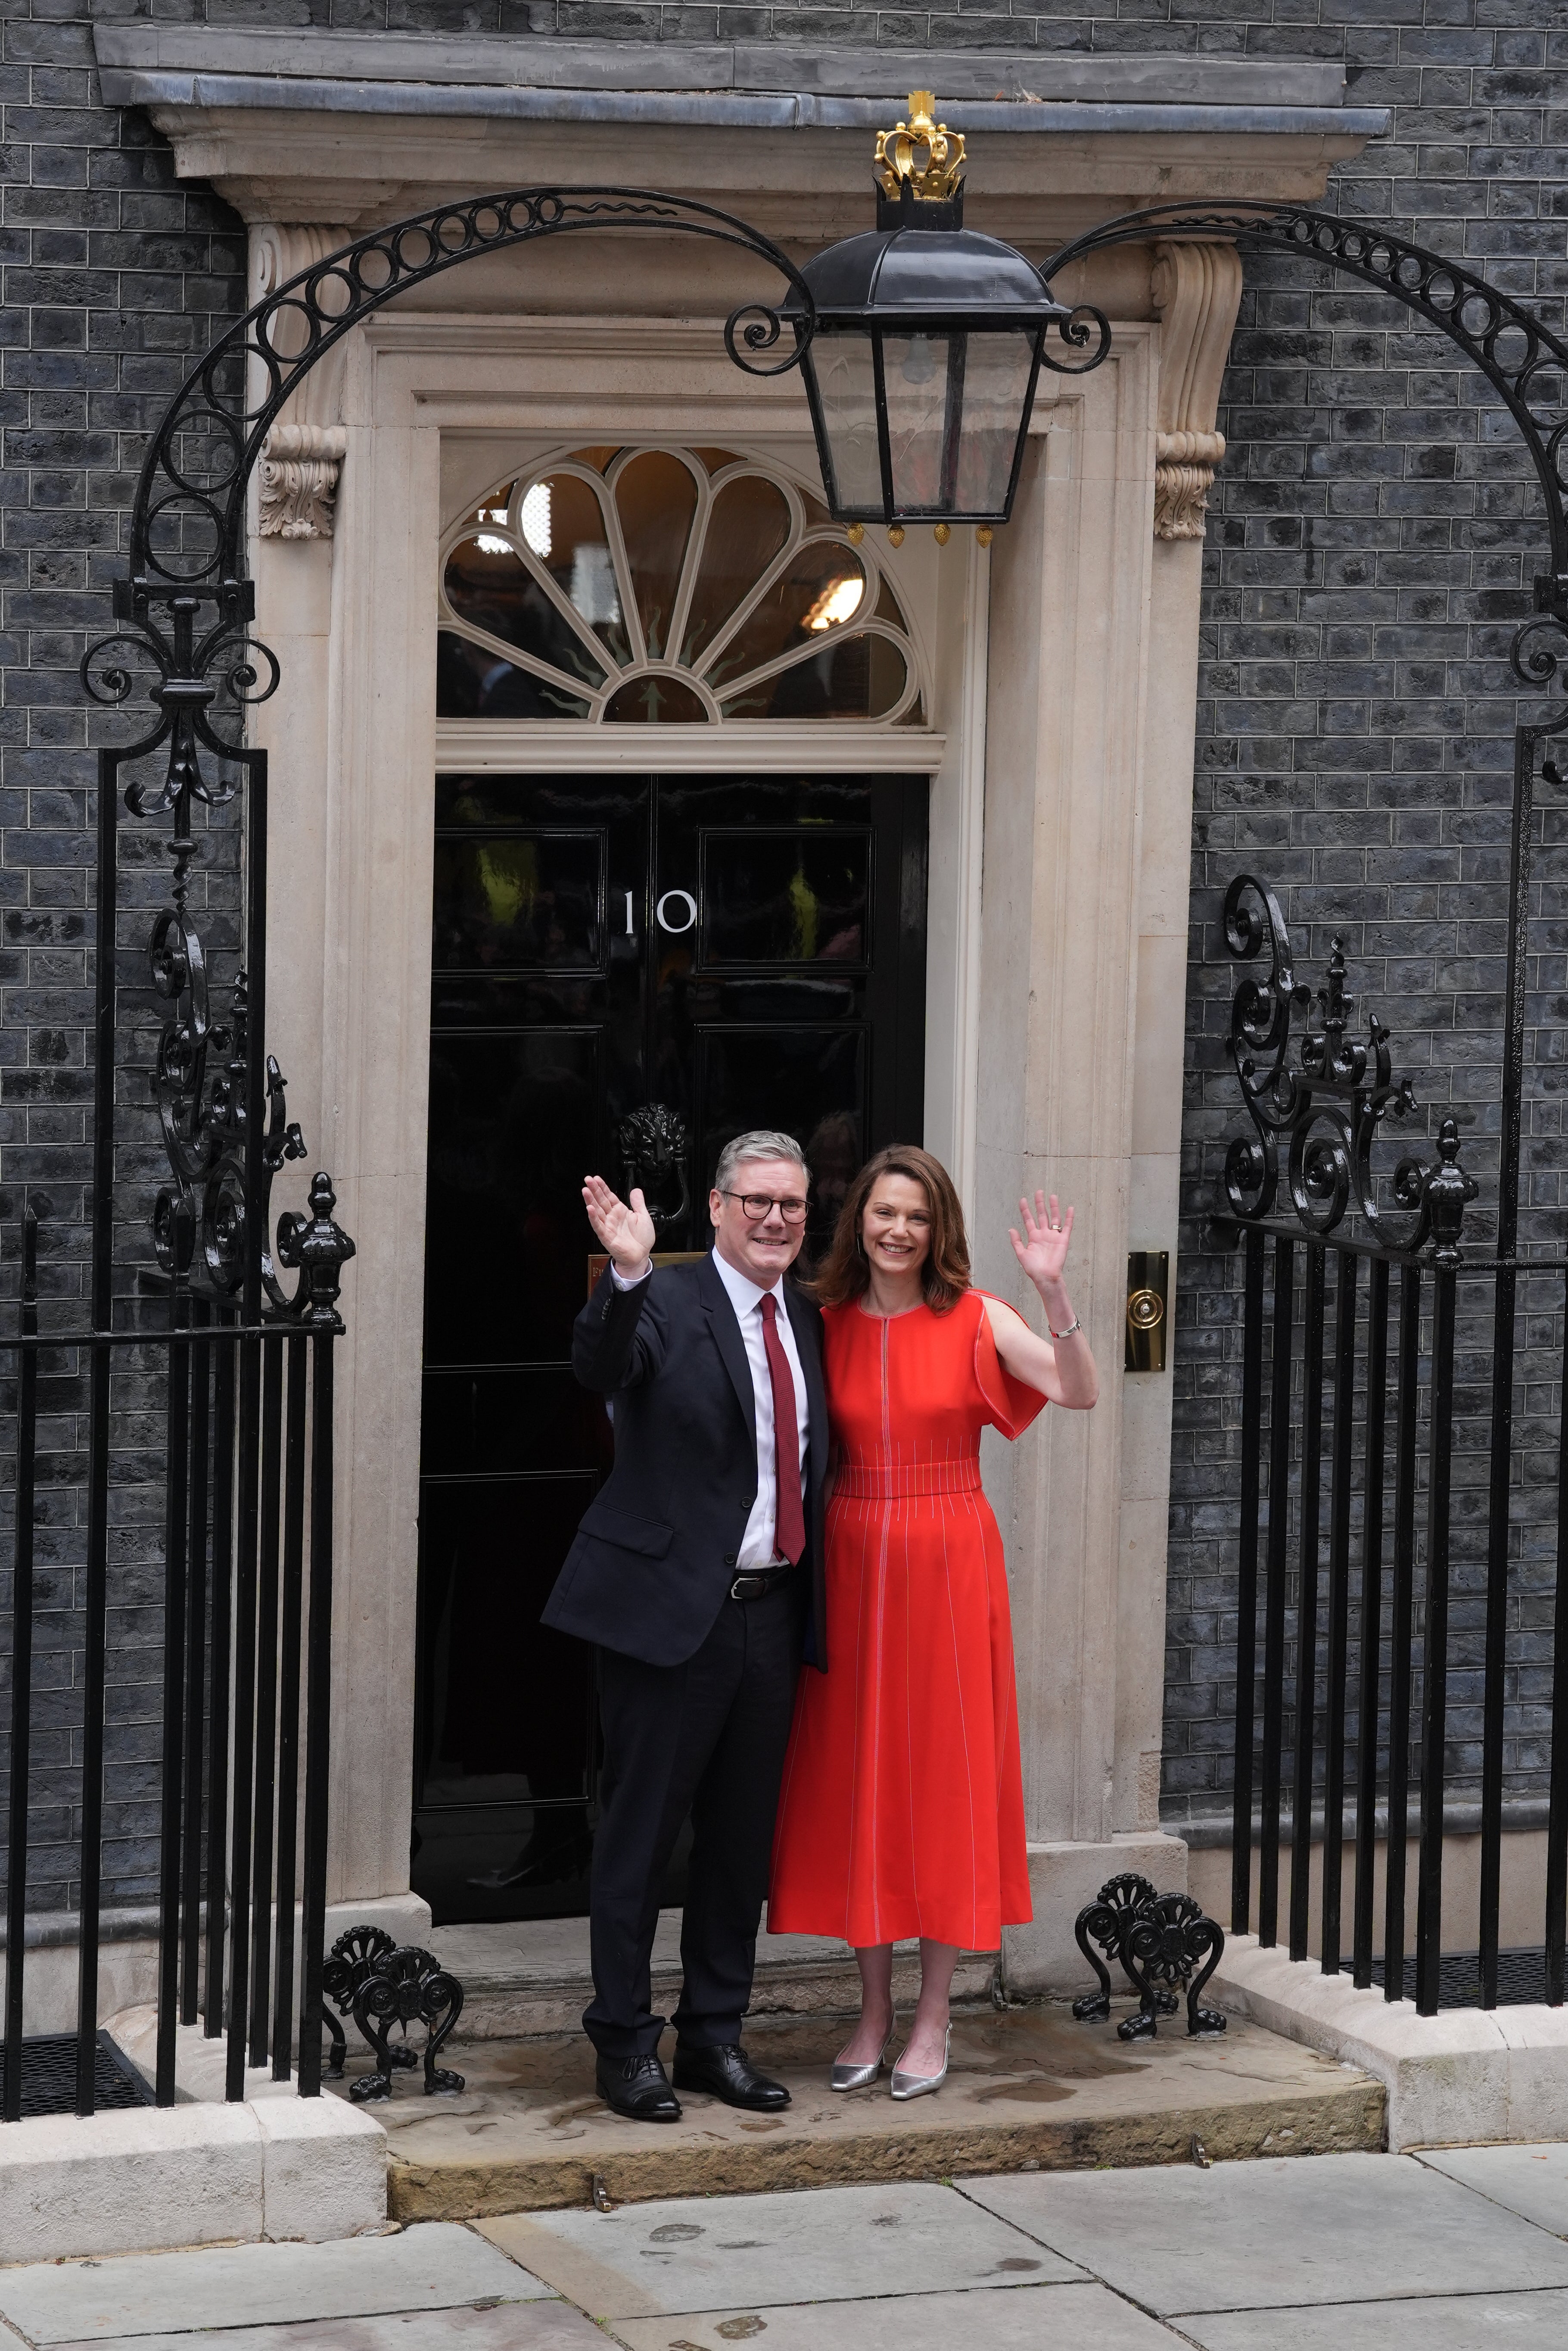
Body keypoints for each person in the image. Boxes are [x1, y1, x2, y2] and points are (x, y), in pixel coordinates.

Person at [768, 1145, 1098, 2098]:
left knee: (941, 1779)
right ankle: (869, 2009)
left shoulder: (975, 1316)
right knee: (861, 1779)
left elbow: (1075, 1389)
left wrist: (1051, 1292)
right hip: (849, 1554)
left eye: (915, 1215)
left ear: (937, 1226)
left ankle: (932, 2011)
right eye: (883, 1213)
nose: (898, 1231)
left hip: (948, 1560)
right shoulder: (819, 1320)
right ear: (858, 1221)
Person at [543, 1131, 829, 2122]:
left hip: (769, 1613)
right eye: (755, 1201)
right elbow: (599, 1367)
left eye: (790, 1204)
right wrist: (625, 1270)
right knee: (639, 1839)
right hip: (671, 1620)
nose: (774, 1219)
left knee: (737, 1848)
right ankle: (623, 2042)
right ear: (713, 1207)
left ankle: (714, 2034)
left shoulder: (806, 1313)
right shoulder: (660, 1298)